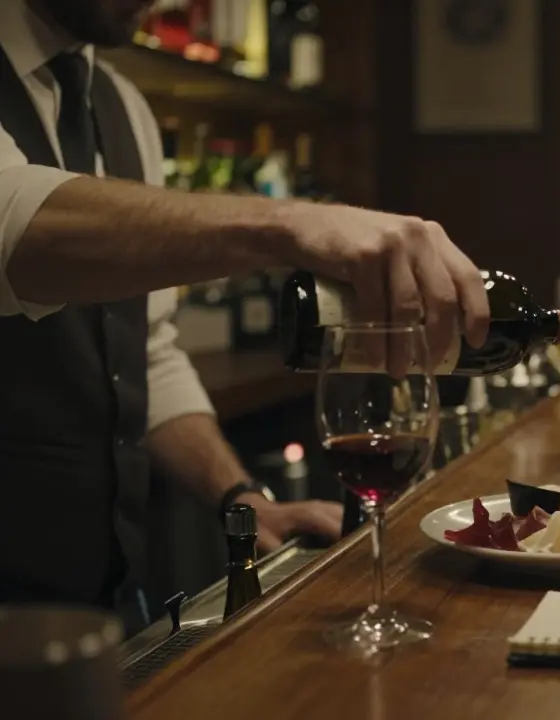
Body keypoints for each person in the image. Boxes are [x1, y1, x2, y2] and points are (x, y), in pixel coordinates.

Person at [0, 0, 490, 634]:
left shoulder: (120, 106)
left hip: (105, 606)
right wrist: (294, 222)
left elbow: (145, 352)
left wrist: (241, 498)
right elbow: (15, 227)